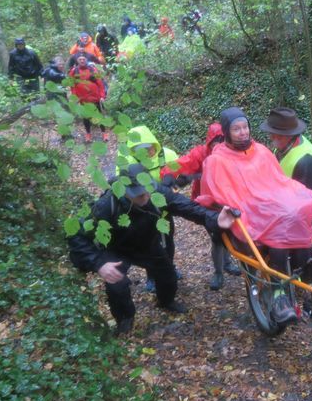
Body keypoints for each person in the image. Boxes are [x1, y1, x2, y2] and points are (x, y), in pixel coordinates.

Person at [68, 163, 235, 336]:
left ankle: (165, 301)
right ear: (124, 190)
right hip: (116, 249)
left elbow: (186, 207)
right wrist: (99, 264)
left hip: (147, 245)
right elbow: (76, 235)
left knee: (168, 276)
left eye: (147, 190)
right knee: (116, 285)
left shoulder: (157, 192)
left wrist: (215, 218)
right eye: (139, 195)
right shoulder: (106, 204)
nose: (146, 196)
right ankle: (125, 319)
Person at [197, 107, 312, 326]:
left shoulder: (262, 151)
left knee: (295, 215)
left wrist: (292, 200)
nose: (243, 132)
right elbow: (218, 193)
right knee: (278, 231)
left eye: (245, 127)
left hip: (269, 205)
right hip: (245, 212)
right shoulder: (217, 160)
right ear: (226, 132)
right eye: (236, 129)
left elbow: (280, 182)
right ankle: (279, 295)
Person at [260, 107, 312, 317]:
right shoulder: (282, 148)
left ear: (289, 135)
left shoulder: (306, 159)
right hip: (289, 208)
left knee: (303, 248)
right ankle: (306, 287)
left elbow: (304, 199)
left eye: (275, 134)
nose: (271, 137)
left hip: (311, 211)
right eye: (271, 132)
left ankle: (311, 292)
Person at [160, 123, 241, 290]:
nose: (218, 145)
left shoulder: (233, 152)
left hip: (229, 199)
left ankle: (226, 262)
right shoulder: (201, 154)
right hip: (208, 203)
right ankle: (218, 272)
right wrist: (168, 175)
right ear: (209, 141)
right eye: (215, 142)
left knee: (230, 233)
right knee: (218, 237)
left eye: (222, 141)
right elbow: (180, 165)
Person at [118, 125, 180, 291]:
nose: (147, 153)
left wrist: (173, 180)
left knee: (168, 238)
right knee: (149, 243)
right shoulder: (126, 161)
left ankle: (170, 268)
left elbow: (179, 170)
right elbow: (121, 185)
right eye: (142, 150)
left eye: (149, 148)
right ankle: (151, 276)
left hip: (163, 207)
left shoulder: (166, 155)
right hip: (143, 209)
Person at [68, 54, 107, 143]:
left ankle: (104, 133)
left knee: (99, 115)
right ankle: (88, 134)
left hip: (95, 98)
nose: (82, 61)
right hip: (83, 99)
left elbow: (100, 83)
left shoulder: (93, 69)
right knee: (86, 117)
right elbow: (72, 86)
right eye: (80, 59)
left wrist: (102, 96)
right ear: (77, 61)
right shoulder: (74, 71)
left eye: (83, 59)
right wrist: (75, 97)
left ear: (86, 60)